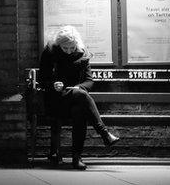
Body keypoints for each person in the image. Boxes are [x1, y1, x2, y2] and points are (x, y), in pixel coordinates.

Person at [38, 25, 120, 170]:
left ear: (77, 44)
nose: (69, 51)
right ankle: (104, 134)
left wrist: (79, 88)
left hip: (76, 99)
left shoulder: (83, 55)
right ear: (59, 45)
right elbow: (42, 78)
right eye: (65, 48)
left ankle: (77, 158)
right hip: (56, 100)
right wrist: (52, 84)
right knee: (81, 98)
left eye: (72, 48)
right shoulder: (50, 52)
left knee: (79, 110)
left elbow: (89, 81)